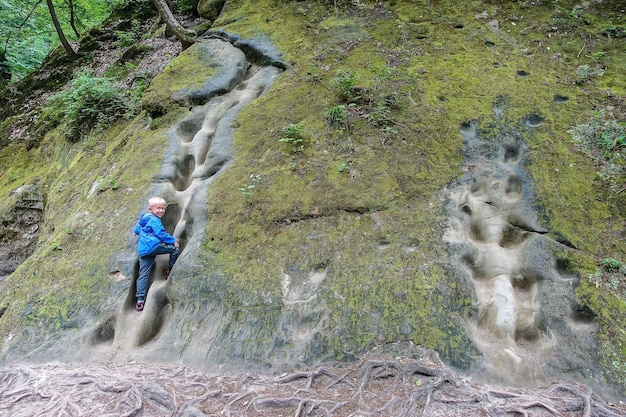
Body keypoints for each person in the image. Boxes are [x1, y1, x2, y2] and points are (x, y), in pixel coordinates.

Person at [133, 196, 179, 311]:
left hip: (143, 251)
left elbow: (136, 230)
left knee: (143, 274)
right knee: (174, 249)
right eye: (158, 208)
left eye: (163, 208)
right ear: (151, 209)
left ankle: (140, 300)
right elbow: (161, 234)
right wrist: (173, 241)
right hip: (154, 246)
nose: (161, 210)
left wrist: (145, 234)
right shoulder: (154, 220)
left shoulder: (144, 220)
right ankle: (170, 269)